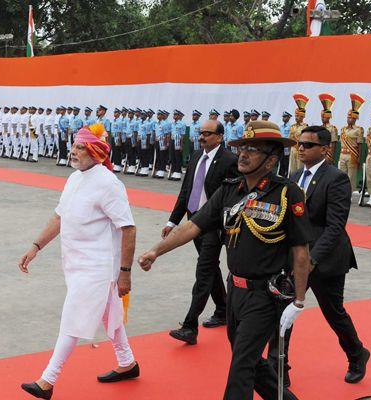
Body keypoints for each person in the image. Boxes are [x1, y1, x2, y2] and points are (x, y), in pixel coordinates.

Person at [139, 121, 311, 400]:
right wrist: (156, 251)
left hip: (265, 295)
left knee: (241, 366)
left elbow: (301, 251)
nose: (243, 154)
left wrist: (299, 301)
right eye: (242, 147)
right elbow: (193, 226)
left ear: (271, 160)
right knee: (252, 363)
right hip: (236, 292)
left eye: (253, 149)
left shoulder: (286, 193)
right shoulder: (230, 189)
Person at [19, 123, 139, 400]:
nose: (72, 152)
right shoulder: (74, 178)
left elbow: (128, 228)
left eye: (79, 148)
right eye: (73, 146)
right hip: (73, 263)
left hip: (97, 267)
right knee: (111, 315)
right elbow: (59, 217)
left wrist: (124, 273)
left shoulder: (109, 184)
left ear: (95, 152)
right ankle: (128, 363)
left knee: (72, 318)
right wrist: (36, 246)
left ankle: (47, 381)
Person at [269, 125, 370, 387]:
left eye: (308, 145)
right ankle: (281, 367)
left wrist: (312, 260)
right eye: (300, 144)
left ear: (325, 149)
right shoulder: (293, 176)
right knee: (285, 311)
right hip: (296, 258)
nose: (301, 148)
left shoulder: (336, 178)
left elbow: (335, 226)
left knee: (333, 312)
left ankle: (357, 354)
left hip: (326, 260)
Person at [164, 120, 238, 345]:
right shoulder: (196, 156)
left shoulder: (229, 160)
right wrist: (172, 221)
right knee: (210, 266)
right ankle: (223, 309)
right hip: (193, 221)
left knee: (204, 270)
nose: (202, 137)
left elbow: (234, 196)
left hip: (214, 226)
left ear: (220, 136)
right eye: (200, 133)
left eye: (207, 133)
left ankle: (189, 326)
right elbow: (186, 190)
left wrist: (226, 226)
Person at [338, 94, 365, 193]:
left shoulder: (358, 130)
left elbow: (360, 145)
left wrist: (359, 158)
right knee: (341, 175)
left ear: (355, 119)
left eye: (351, 118)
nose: (349, 119)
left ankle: (349, 193)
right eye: (348, 117)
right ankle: (341, 192)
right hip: (342, 154)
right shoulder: (343, 129)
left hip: (352, 154)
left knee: (351, 176)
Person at [289, 93, 309, 175]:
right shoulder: (293, 126)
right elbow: (290, 138)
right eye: (295, 116)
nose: (296, 117)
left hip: (301, 149)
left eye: (298, 116)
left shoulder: (305, 127)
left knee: (300, 169)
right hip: (293, 149)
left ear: (302, 116)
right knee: (292, 170)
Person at [318, 93, 338, 164]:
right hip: (319, 153)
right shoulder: (320, 127)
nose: (322, 118)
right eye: (321, 117)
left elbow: (333, 144)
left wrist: (331, 156)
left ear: (328, 117)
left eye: (324, 117)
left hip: (328, 153)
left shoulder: (332, 128)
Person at [279, 111, 292, 177]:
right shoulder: (281, 127)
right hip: (281, 147)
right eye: (283, 117)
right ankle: (280, 176)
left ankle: (285, 176)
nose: (283, 118)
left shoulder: (291, 127)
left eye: (285, 117)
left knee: (286, 163)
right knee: (281, 163)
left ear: (289, 118)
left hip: (287, 148)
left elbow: (290, 138)